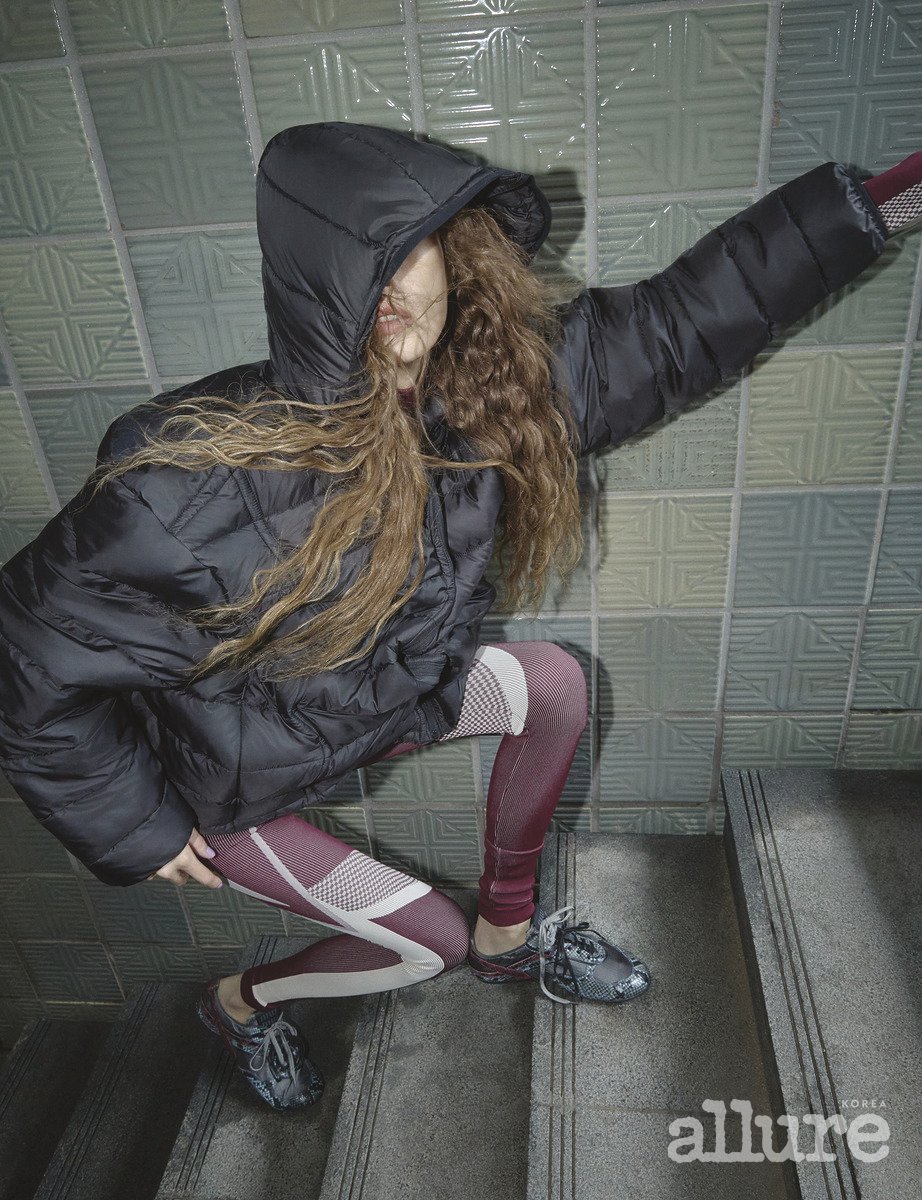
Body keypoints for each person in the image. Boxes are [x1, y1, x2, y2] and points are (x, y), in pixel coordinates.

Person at [0, 123, 918, 1113]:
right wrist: (130, 822)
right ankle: (237, 1004)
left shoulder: (485, 393)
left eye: (407, 250)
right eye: (356, 271)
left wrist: (886, 205)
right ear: (309, 292)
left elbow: (679, 324)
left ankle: (508, 940)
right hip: (226, 778)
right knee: (422, 944)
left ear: (456, 249)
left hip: (363, 701)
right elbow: (25, 649)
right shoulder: (193, 476)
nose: (390, 293)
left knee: (554, 686)